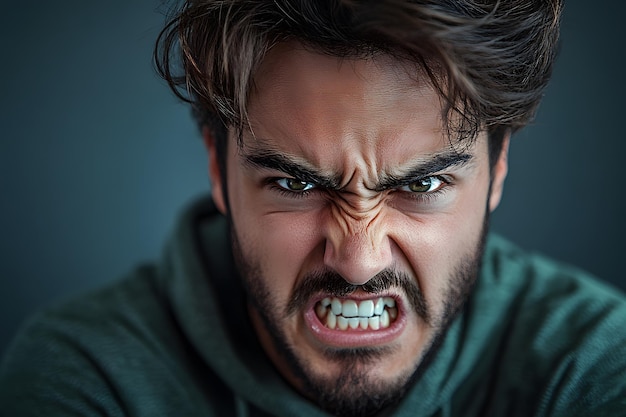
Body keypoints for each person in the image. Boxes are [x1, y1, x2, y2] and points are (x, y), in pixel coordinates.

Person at [1, 0, 625, 416]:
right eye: (296, 186)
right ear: (218, 169)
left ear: (499, 171)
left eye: (425, 185)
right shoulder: (86, 381)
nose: (358, 260)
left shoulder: (593, 368)